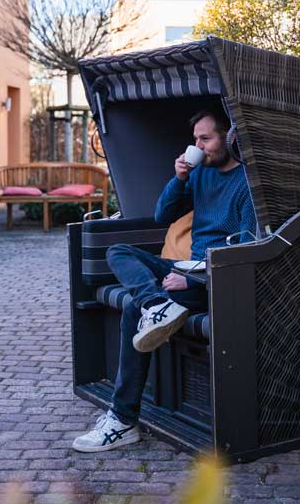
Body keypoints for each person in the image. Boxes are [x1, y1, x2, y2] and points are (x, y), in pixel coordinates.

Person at [72, 107, 256, 453]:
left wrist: (194, 281)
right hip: (186, 267)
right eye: (195, 140)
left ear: (230, 137)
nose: (198, 146)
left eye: (206, 138)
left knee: (131, 310)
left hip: (218, 279)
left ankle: (123, 420)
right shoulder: (200, 174)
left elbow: (245, 249)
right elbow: (163, 215)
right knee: (120, 252)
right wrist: (180, 178)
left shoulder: (247, 183)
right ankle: (156, 304)